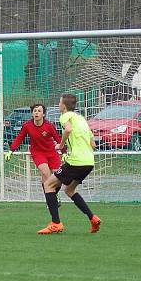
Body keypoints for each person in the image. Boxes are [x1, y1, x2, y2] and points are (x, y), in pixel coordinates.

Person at [38, 93, 101, 235]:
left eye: (60, 102)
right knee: (69, 190)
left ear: (64, 106)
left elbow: (68, 129)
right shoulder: (81, 119)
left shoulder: (65, 116)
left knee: (48, 184)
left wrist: (60, 145)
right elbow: (93, 144)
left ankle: (55, 223)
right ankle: (93, 218)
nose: (59, 105)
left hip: (76, 161)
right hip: (89, 162)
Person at [8, 103, 62, 190]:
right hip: (38, 153)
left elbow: (58, 139)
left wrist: (64, 152)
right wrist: (11, 150)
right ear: (32, 113)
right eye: (35, 111)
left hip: (51, 152)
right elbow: (20, 138)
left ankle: (53, 195)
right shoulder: (27, 126)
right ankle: (51, 199)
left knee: (58, 178)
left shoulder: (49, 126)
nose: (36, 113)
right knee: (46, 172)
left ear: (43, 114)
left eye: (39, 111)